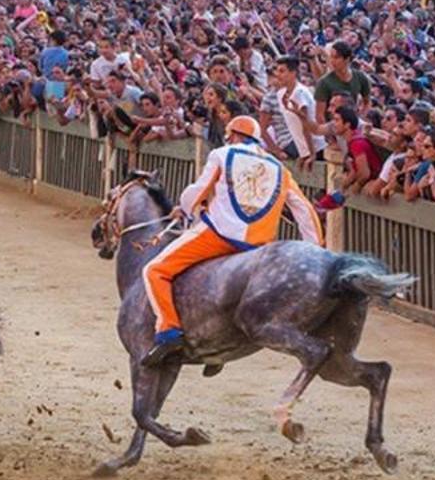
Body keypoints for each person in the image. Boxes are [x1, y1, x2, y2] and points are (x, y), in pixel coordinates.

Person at [138, 115, 323, 369]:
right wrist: (316, 251)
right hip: (259, 248)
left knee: (155, 271)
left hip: (217, 235)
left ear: (233, 135)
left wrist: (190, 208)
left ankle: (168, 330)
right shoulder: (280, 168)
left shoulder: (222, 154)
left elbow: (196, 192)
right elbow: (304, 211)